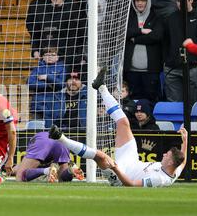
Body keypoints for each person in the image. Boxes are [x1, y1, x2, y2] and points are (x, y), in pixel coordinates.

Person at [50, 66, 187, 187]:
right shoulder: (174, 169)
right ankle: (101, 87)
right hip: (132, 160)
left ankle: (60, 138)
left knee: (101, 156)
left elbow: (131, 184)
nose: (164, 154)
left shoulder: (159, 179)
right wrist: (185, 141)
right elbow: (183, 162)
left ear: (170, 163)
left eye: (167, 155)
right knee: (123, 122)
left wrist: (115, 169)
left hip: (122, 177)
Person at [124, 0, 163, 103]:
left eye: (143, 0)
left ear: (148, 1)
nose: (140, 3)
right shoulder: (128, 17)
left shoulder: (156, 17)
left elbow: (156, 36)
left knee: (151, 101)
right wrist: (141, 31)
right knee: (133, 102)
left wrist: (135, 39)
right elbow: (125, 32)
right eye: (137, 0)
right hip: (131, 71)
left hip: (151, 71)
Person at [163, 0, 197, 106]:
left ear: (191, 0)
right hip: (172, 68)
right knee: (174, 105)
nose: (180, 3)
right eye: (178, 1)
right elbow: (165, 43)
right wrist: (165, 61)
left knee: (192, 105)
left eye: (183, 0)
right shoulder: (170, 19)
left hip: (192, 67)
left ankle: (191, 125)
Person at [12, 132, 84, 183]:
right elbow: (18, 167)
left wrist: (14, 171)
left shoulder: (32, 149)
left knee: (20, 177)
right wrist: (11, 171)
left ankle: (47, 170)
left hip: (42, 141)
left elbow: (20, 169)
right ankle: (70, 169)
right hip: (61, 141)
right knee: (62, 180)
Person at [28, 46, 66, 120]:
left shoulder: (62, 68)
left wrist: (47, 77)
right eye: (47, 55)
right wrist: (50, 85)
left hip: (55, 104)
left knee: (53, 129)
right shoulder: (37, 69)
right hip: (39, 104)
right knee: (38, 129)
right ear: (43, 57)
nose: (50, 57)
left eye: (53, 55)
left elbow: (61, 84)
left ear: (57, 57)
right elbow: (30, 83)